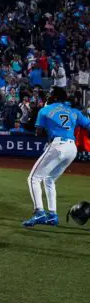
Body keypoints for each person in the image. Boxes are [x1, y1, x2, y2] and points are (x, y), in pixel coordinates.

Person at [23, 87, 90, 227]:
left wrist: (31, 123)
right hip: (72, 149)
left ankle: (39, 212)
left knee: (33, 178)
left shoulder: (45, 109)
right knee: (49, 179)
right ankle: (52, 214)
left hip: (58, 145)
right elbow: (88, 125)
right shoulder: (74, 111)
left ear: (54, 96)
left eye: (50, 93)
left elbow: (38, 132)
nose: (48, 95)